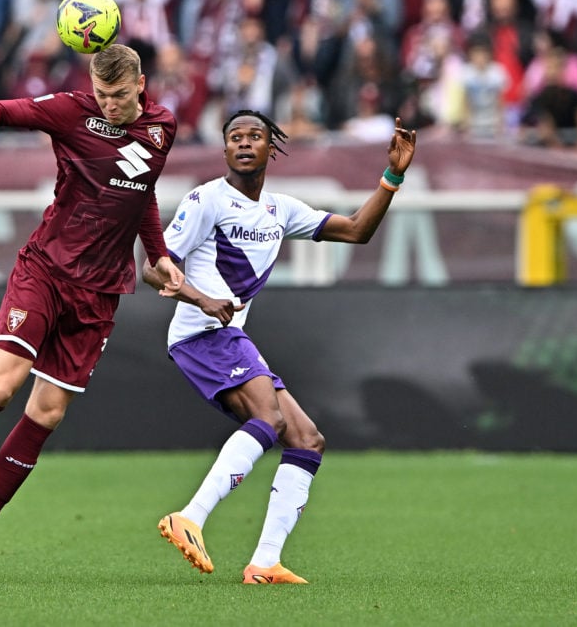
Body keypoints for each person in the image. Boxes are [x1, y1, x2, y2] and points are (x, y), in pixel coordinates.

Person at [0, 43, 184, 583]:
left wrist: (157, 254)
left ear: (140, 85)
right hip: (45, 270)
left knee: (46, 413)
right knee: (2, 385)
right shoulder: (71, 109)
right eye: (101, 93)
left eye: (117, 95)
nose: (107, 105)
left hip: (99, 292)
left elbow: (142, 192)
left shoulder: (163, 127)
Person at [142, 109, 416, 584]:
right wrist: (201, 299)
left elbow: (356, 230)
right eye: (234, 136)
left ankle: (265, 562)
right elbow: (153, 267)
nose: (244, 143)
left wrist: (392, 176)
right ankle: (190, 516)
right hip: (200, 334)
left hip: (230, 336)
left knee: (306, 439)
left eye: (255, 136)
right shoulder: (206, 200)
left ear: (272, 148)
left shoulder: (281, 210)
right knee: (267, 417)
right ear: (224, 149)